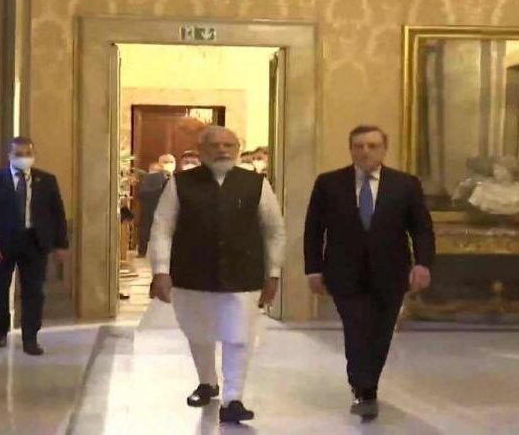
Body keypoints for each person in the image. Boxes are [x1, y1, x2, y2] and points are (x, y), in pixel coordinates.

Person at [149, 126, 285, 423]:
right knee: (198, 332)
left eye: (229, 145)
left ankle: (233, 398)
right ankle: (207, 382)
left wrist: (273, 272)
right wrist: (160, 270)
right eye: (215, 145)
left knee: (239, 336)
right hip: (191, 273)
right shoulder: (180, 183)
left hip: (243, 274)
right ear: (201, 151)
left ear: (238, 149)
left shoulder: (256, 184)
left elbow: (274, 230)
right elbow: (162, 228)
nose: (222, 150)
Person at [303, 125, 435, 420]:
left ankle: (367, 382)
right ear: (350, 149)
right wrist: (313, 268)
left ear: (384, 149)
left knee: (381, 331)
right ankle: (364, 389)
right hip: (344, 272)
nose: (365, 151)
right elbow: (314, 229)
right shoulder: (329, 183)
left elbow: (421, 229)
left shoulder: (405, 184)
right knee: (356, 327)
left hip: (391, 272)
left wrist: (423, 263)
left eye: (372, 146)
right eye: (359, 146)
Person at [0, 136, 68, 356]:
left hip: (34, 242)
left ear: (33, 155)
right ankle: (0, 331)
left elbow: (57, 213)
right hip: (2, 243)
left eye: (27, 154)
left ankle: (30, 338)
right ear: (9, 155)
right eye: (18, 154)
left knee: (34, 292)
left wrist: (61, 245)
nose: (23, 158)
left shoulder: (46, 181)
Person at [136, 154, 176, 257]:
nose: (169, 164)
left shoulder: (177, 178)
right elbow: (142, 193)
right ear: (160, 163)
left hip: (168, 211)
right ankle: (143, 251)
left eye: (171, 162)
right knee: (147, 229)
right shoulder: (151, 177)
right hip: (152, 209)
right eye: (166, 162)